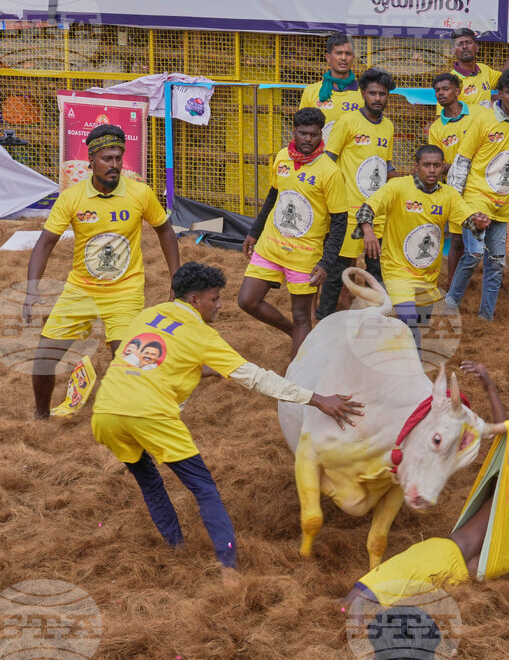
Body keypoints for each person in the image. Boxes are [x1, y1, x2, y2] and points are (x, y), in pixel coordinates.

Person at [91, 262, 364, 573]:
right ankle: (228, 567)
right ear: (194, 300)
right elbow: (256, 378)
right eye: (214, 299)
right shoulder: (202, 335)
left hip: (106, 412)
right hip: (150, 414)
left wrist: (204, 370)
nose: (220, 305)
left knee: (149, 481)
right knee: (204, 488)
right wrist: (316, 399)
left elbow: (151, 359)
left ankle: (175, 547)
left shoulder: (147, 315)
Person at [344, 361, 509, 608]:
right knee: (385, 599)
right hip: (457, 580)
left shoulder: (508, 500)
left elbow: (506, 439)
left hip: (442, 554)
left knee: (365, 594)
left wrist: (489, 386)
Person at [23, 124, 180, 420]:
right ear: (91, 161)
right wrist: (32, 290)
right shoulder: (71, 198)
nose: (115, 165)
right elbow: (44, 244)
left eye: (119, 158)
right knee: (44, 359)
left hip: (125, 291)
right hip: (80, 289)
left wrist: (177, 279)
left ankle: (127, 419)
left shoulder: (139, 193)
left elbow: (165, 231)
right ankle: (40, 416)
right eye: (108, 158)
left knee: (127, 362)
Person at [240, 107, 347, 360]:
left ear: (321, 134)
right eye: (302, 133)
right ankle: (295, 332)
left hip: (305, 256)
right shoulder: (281, 158)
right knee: (247, 301)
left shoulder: (330, 172)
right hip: (270, 246)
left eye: (313, 134)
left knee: (302, 316)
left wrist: (326, 262)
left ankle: (297, 380)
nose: (308, 139)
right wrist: (254, 232)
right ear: (294, 132)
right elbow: (273, 197)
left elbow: (340, 221)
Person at [356, 145, 488, 348]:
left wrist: (478, 223)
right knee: (409, 322)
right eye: (427, 165)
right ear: (416, 166)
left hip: (428, 274)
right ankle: (413, 373)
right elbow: (367, 208)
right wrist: (368, 231)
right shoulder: (397, 187)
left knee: (418, 323)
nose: (432, 170)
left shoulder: (449, 195)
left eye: (437, 165)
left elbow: (468, 219)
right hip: (397, 269)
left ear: (443, 167)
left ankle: (388, 350)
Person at [444, 69, 509, 321]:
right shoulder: (482, 120)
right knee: (472, 253)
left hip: (502, 205)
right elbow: (462, 160)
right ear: (499, 94)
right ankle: (450, 303)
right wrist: (456, 201)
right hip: (476, 199)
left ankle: (486, 317)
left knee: (496, 263)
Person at [316, 68, 398, 320]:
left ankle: (378, 319)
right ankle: (323, 319)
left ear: (387, 97)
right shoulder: (348, 122)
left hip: (376, 212)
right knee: (338, 268)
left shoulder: (388, 127)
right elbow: (328, 159)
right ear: (363, 94)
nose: (377, 98)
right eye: (372, 93)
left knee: (376, 269)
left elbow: (385, 164)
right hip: (349, 212)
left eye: (382, 94)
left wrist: (402, 184)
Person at [428, 72, 474, 284]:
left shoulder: (477, 115)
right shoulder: (437, 128)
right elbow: (436, 163)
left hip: (480, 188)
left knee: (486, 240)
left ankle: (493, 283)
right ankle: (453, 288)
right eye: (437, 90)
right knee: (456, 240)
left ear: (457, 90)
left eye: (445, 89)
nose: (441, 93)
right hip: (455, 191)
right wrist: (463, 167)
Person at [448, 27, 509, 110]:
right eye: (460, 44)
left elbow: (504, 75)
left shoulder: (484, 69)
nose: (465, 46)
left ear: (477, 47)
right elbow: (443, 118)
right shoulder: (451, 82)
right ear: (453, 50)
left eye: (468, 42)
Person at [299, 33, 364, 141]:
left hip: (352, 156)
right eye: (339, 53)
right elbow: (302, 128)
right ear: (328, 57)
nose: (343, 58)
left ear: (352, 58)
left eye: (347, 54)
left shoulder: (363, 93)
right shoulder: (311, 91)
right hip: (321, 156)